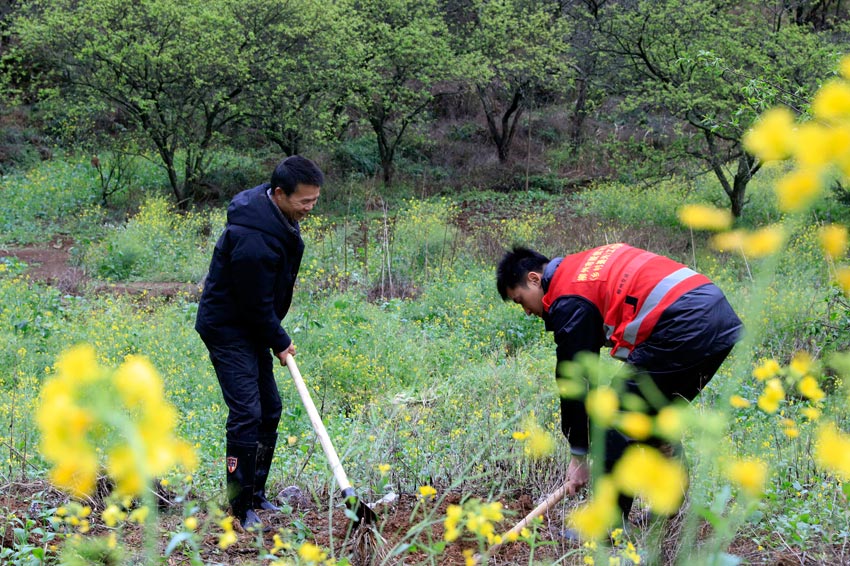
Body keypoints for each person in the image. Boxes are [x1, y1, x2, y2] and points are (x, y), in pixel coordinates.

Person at [496, 243, 742, 534]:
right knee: (646, 410)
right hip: (716, 315)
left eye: (521, 300)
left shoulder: (568, 295)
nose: (526, 311)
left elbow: (575, 381)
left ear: (534, 279)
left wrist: (578, 454)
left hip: (684, 321)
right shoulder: (581, 270)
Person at [195, 155, 323, 531]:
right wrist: (280, 340)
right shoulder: (253, 239)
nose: (310, 208)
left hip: (252, 325)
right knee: (247, 413)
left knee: (270, 408)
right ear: (280, 194)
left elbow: (261, 304)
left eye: (315, 200)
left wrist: (271, 335)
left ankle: (255, 494)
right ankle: (237, 507)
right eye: (304, 201)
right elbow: (254, 303)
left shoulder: (276, 218)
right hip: (228, 328)